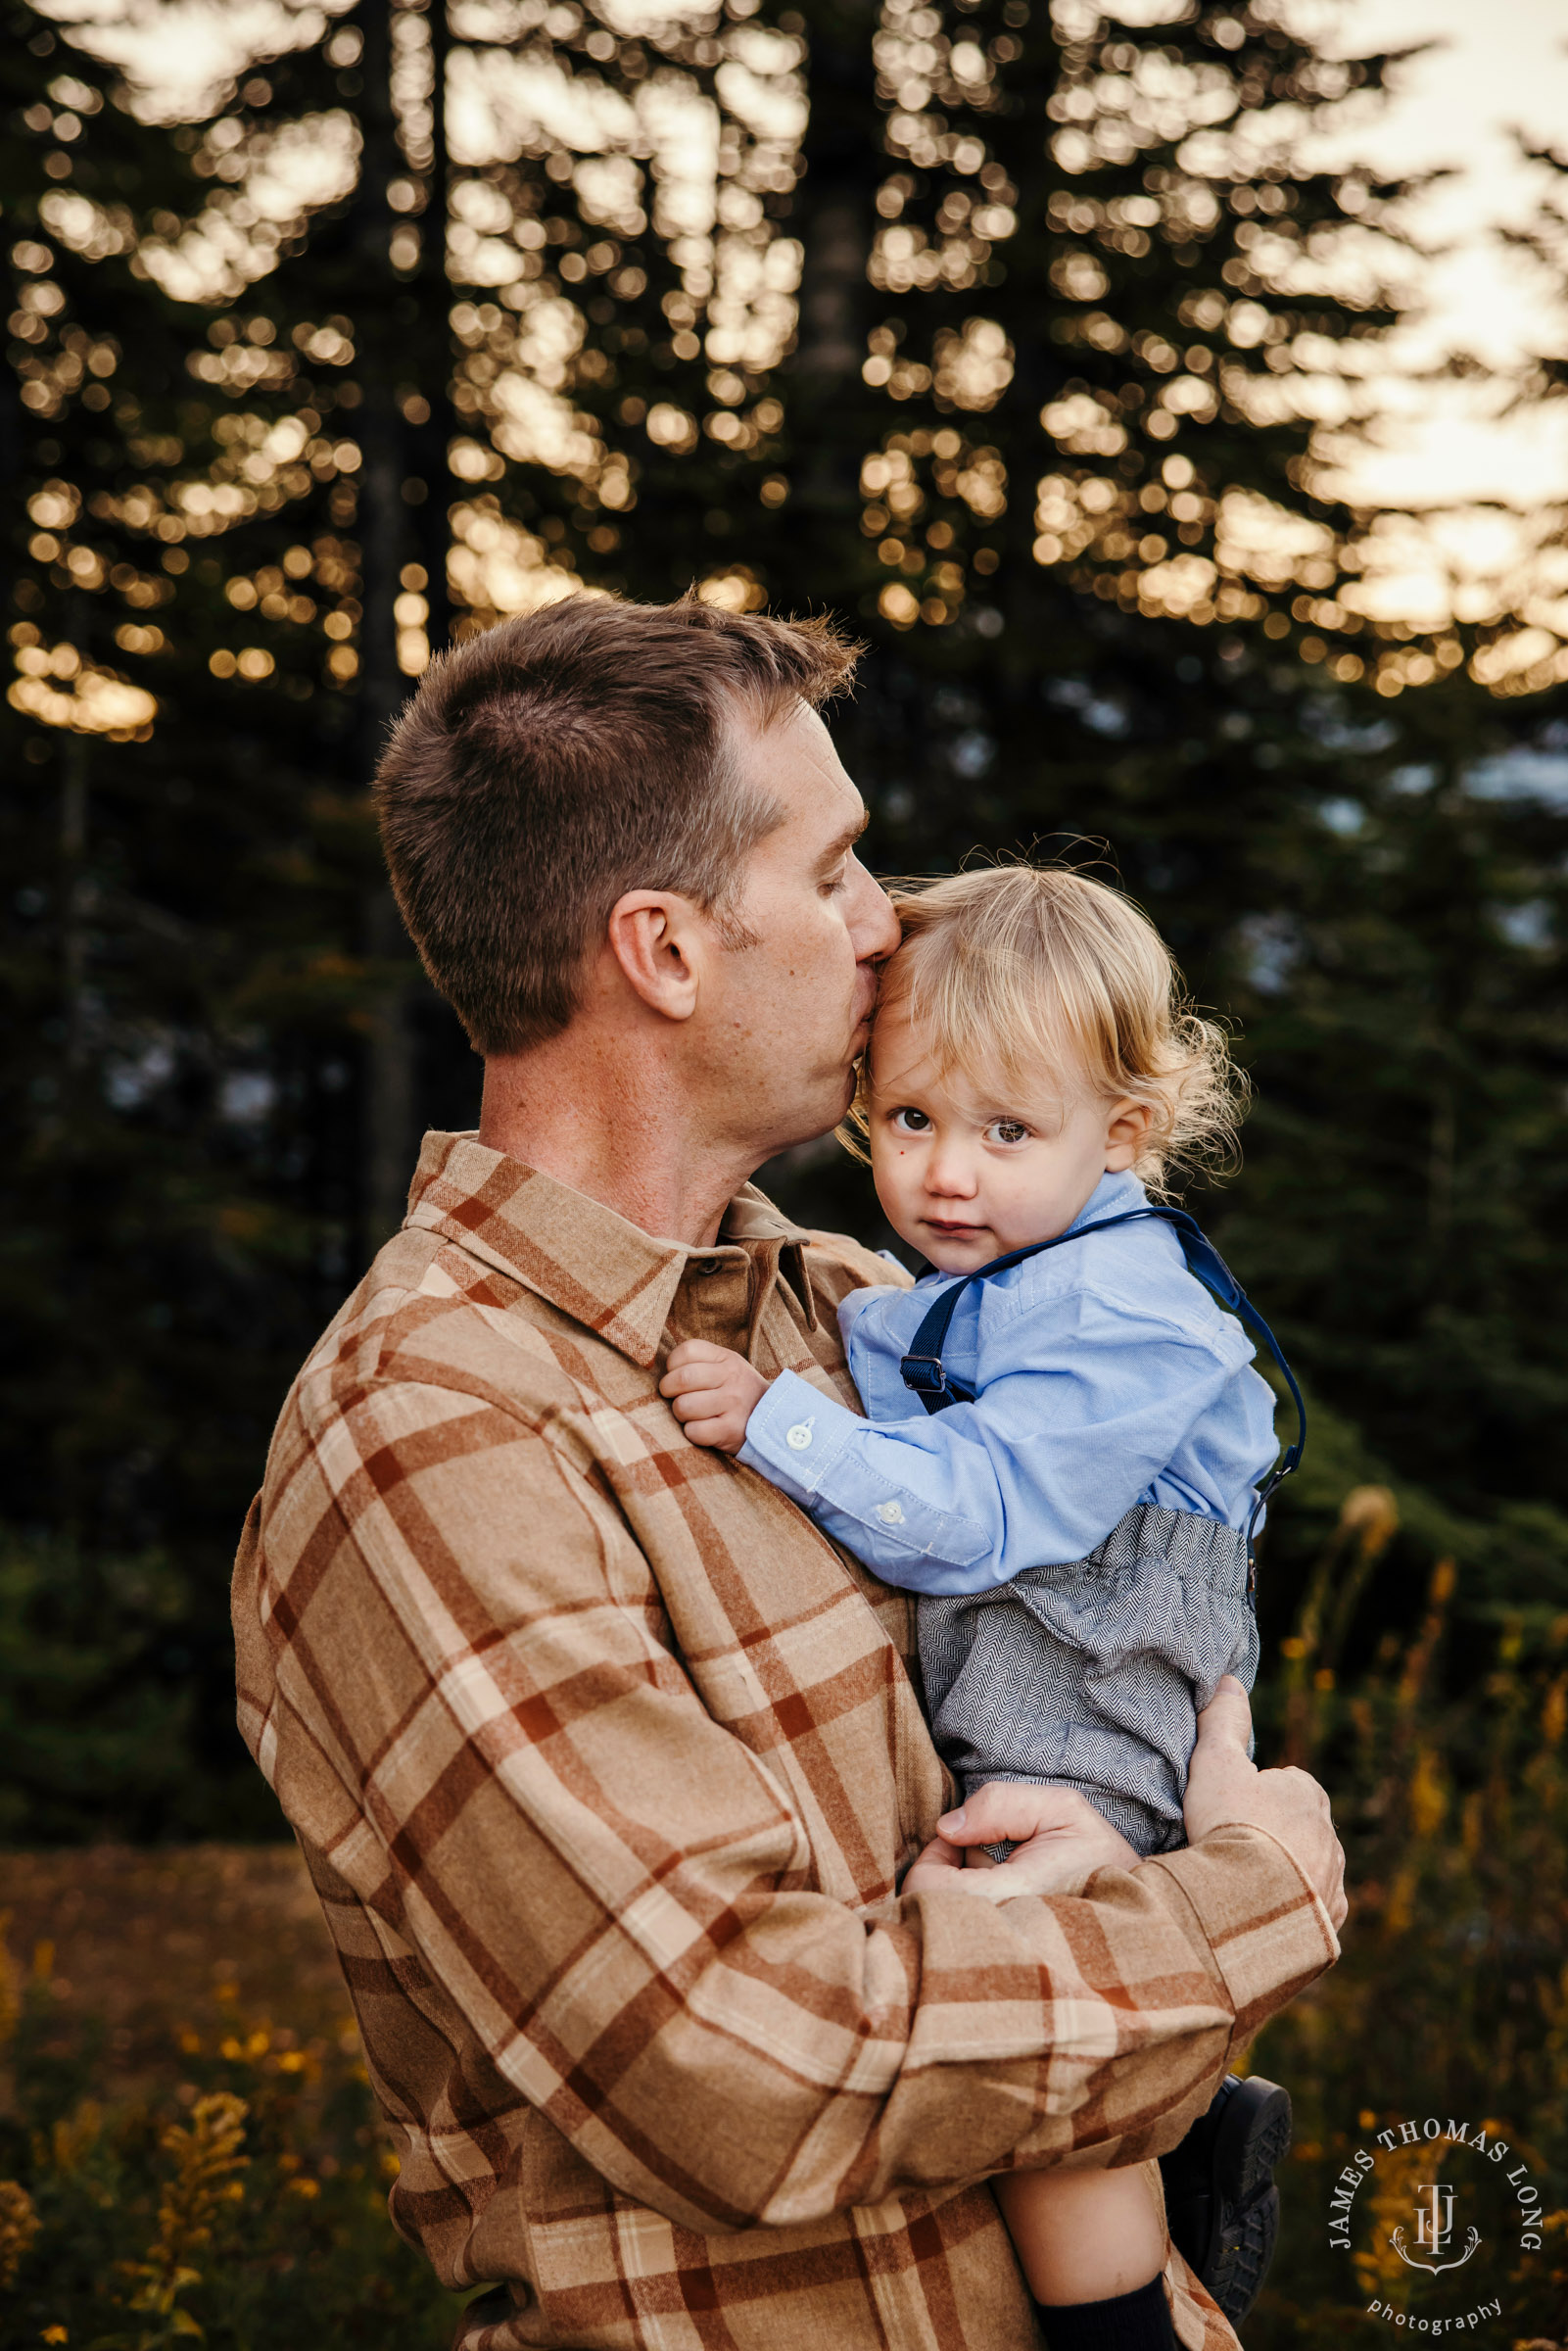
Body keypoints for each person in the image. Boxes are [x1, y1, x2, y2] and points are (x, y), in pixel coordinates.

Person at [231, 595, 1346, 2351]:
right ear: (665, 952)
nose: (883, 923)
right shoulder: (434, 1437)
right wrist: (1241, 1901)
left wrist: (1109, 1848)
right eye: (833, 870)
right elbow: (754, 2065)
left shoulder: (845, 1309)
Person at [661, 864, 1295, 2342]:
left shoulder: (1131, 1316)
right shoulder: (1010, 1260)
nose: (948, 1174)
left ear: (1121, 1133)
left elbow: (977, 1514)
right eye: (910, 1120)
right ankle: (1173, 2134)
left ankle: (1121, 2306)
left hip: (1090, 1688)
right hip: (1014, 1672)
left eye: (1008, 1132)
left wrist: (773, 1423)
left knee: (1022, 2041)